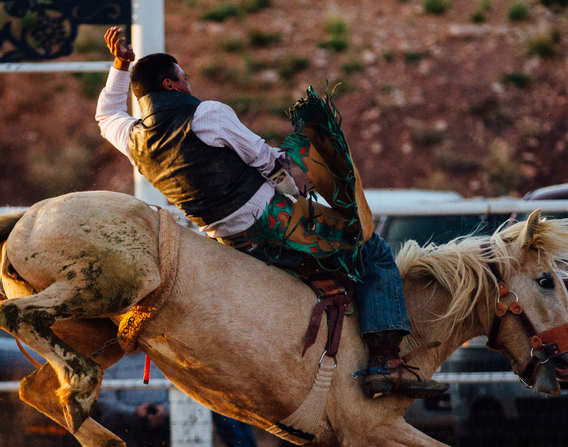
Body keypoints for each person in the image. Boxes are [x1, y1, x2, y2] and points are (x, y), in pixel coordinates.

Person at [96, 27, 447, 400]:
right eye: (184, 76)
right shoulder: (208, 114)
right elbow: (264, 160)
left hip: (224, 240)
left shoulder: (132, 138)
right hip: (271, 221)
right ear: (170, 84)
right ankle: (385, 363)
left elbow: (106, 115)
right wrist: (301, 172)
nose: (189, 82)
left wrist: (120, 65)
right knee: (371, 248)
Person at [95, 354, 288, 447]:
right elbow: (105, 399)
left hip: (169, 414)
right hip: (131, 419)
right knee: (227, 417)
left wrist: (166, 410)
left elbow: (181, 390)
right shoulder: (114, 359)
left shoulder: (159, 356)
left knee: (229, 416)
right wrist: (134, 412)